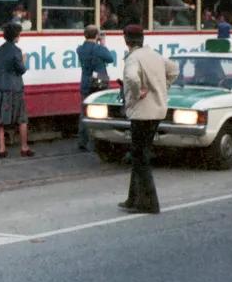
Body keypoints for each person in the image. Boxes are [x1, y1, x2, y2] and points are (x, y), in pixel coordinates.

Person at [119, 24, 179, 214]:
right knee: (140, 154)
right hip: (158, 111)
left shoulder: (133, 58)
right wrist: (162, 88)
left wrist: (137, 94)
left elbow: (131, 78)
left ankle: (149, 203)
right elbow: (174, 69)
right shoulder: (154, 55)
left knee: (140, 157)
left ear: (126, 41)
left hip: (142, 113)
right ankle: (133, 198)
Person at [0, 22, 33, 158]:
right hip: (14, 88)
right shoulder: (17, 51)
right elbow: (21, 70)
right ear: (16, 36)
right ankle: (24, 147)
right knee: (22, 119)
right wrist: (24, 60)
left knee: (0, 120)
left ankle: (2, 148)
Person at [76, 25, 114, 151]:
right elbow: (110, 58)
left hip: (86, 82)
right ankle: (101, 140)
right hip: (99, 82)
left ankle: (82, 141)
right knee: (102, 111)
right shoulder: (99, 48)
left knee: (84, 113)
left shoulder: (80, 49)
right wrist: (103, 44)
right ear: (97, 35)